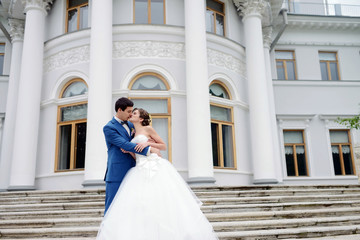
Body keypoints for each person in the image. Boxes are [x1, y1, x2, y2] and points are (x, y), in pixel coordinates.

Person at [97, 108, 218, 240]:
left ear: (141, 119)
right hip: (138, 168)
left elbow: (163, 146)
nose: (131, 114)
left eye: (135, 113)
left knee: (161, 199)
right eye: (130, 112)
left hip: (154, 165)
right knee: (141, 204)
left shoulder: (148, 129)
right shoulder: (131, 132)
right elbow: (135, 153)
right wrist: (128, 151)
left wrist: (147, 144)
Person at [103, 98, 161, 214]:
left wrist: (149, 141)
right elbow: (124, 144)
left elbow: (141, 136)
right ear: (120, 110)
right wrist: (149, 150)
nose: (130, 114)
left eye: (132, 112)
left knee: (132, 208)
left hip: (135, 171)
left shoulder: (131, 124)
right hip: (117, 173)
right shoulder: (109, 127)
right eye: (129, 111)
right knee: (111, 208)